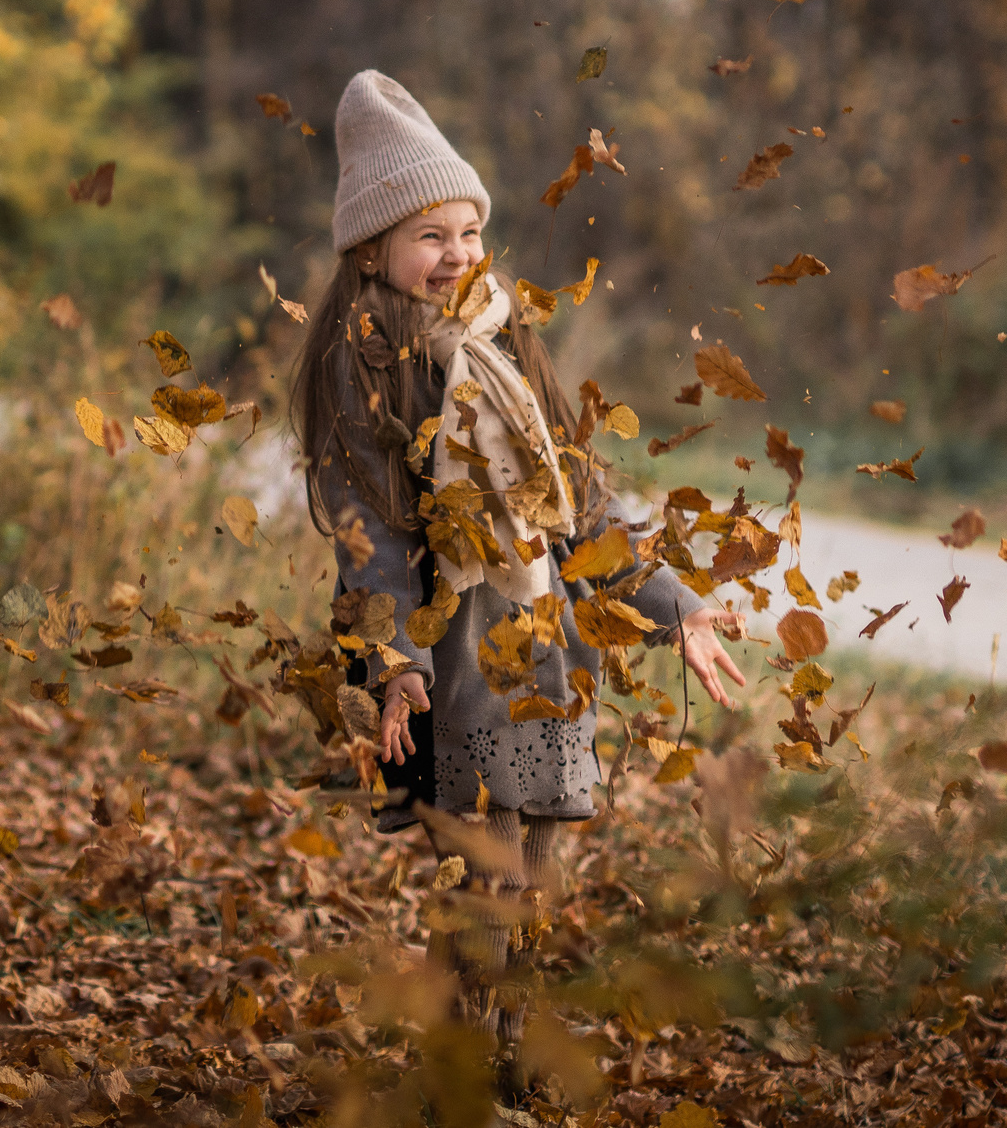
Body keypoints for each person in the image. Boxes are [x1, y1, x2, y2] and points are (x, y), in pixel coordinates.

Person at [290, 69, 747, 1057]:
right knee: (483, 863)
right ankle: (468, 1060)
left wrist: (678, 607)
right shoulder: (360, 362)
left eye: (466, 232)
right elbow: (367, 527)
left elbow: (577, 500)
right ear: (370, 250)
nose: (455, 254)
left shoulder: (506, 336)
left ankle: (498, 1035)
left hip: (542, 643)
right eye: (428, 236)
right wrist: (394, 666)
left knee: (533, 862)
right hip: (446, 652)